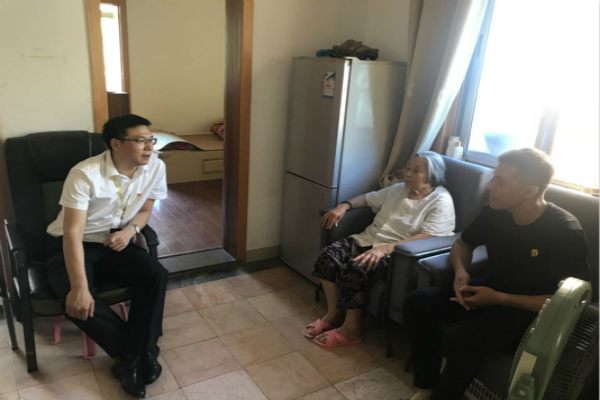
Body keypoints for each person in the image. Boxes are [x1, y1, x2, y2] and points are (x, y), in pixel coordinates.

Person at [405, 148, 590, 400]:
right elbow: (463, 244)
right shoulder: (494, 211)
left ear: (529, 191)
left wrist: (500, 298)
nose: (490, 187)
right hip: (491, 289)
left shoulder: (564, 232)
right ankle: (427, 385)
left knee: (464, 336)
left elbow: (570, 304)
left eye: (500, 182)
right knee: (418, 302)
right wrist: (461, 273)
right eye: (493, 178)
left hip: (530, 314)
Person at [46, 114, 168, 399]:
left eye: (151, 140)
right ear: (116, 143)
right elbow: (72, 233)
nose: (149, 147)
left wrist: (129, 231)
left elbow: (145, 210)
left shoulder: (155, 167)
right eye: (140, 141)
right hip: (74, 244)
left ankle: (133, 356)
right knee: (76, 300)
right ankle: (137, 353)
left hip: (115, 241)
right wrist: (79, 287)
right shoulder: (85, 174)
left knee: (155, 273)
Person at [303, 151, 456, 347]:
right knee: (327, 257)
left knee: (356, 269)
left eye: (416, 170)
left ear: (432, 175)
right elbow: (368, 198)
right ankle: (334, 315)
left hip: (397, 253)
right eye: (408, 168)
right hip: (368, 239)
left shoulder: (441, 200)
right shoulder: (399, 189)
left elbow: (432, 235)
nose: (407, 173)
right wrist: (344, 206)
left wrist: (385, 249)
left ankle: (351, 330)